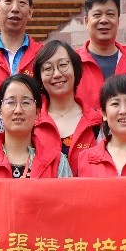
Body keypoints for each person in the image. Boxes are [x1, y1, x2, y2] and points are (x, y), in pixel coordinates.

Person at [0, 75, 71, 178]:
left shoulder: (56, 162)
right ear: (0, 111)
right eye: (11, 102)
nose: (18, 110)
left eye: (25, 102)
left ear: (38, 112)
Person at [32, 40, 101, 173]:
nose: (57, 74)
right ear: (40, 78)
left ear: (75, 69)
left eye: (63, 65)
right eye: (48, 68)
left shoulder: (97, 122)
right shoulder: (32, 123)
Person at [74, 0, 126, 111]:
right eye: (97, 15)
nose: (104, 20)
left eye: (110, 14)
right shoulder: (73, 62)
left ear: (118, 21)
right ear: (86, 21)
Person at [0, 0, 40, 91]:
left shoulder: (43, 56)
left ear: (30, 12)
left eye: (22, 2)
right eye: (8, 1)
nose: (15, 8)